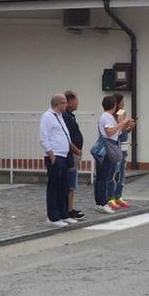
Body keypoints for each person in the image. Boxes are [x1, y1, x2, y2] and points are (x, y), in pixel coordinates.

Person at [40, 92, 72, 225]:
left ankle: (63, 214)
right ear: (58, 104)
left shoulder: (59, 116)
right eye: (64, 103)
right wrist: (51, 154)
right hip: (55, 156)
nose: (66, 105)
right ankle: (53, 217)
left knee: (64, 186)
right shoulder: (47, 117)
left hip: (64, 155)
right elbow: (44, 137)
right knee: (54, 187)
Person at [94, 95, 121, 212]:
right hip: (106, 149)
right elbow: (109, 132)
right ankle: (102, 202)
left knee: (102, 177)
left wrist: (122, 124)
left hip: (105, 148)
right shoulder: (107, 117)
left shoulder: (106, 116)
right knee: (103, 177)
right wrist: (122, 123)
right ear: (114, 105)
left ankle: (100, 202)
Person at [62, 90, 85, 222]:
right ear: (69, 101)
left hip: (74, 153)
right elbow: (67, 137)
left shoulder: (70, 116)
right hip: (71, 153)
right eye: (76, 100)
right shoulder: (65, 117)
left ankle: (70, 208)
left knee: (72, 182)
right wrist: (76, 150)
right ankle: (67, 210)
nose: (77, 103)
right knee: (69, 182)